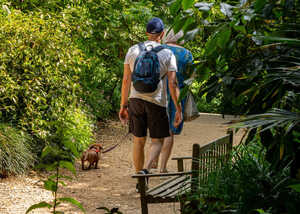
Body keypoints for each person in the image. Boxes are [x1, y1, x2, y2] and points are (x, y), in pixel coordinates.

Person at [119, 18, 182, 180]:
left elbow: (126, 80)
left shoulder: (133, 50)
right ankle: (146, 169)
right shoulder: (168, 53)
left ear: (147, 33)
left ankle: (140, 180)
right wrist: (178, 109)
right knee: (157, 141)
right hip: (157, 102)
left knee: (138, 141)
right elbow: (172, 83)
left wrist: (123, 106)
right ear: (162, 34)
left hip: (135, 100)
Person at [151, 29, 193, 173]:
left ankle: (153, 160)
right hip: (177, 93)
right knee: (169, 132)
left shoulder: (158, 50)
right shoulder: (187, 54)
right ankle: (162, 167)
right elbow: (191, 78)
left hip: (158, 93)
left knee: (157, 129)